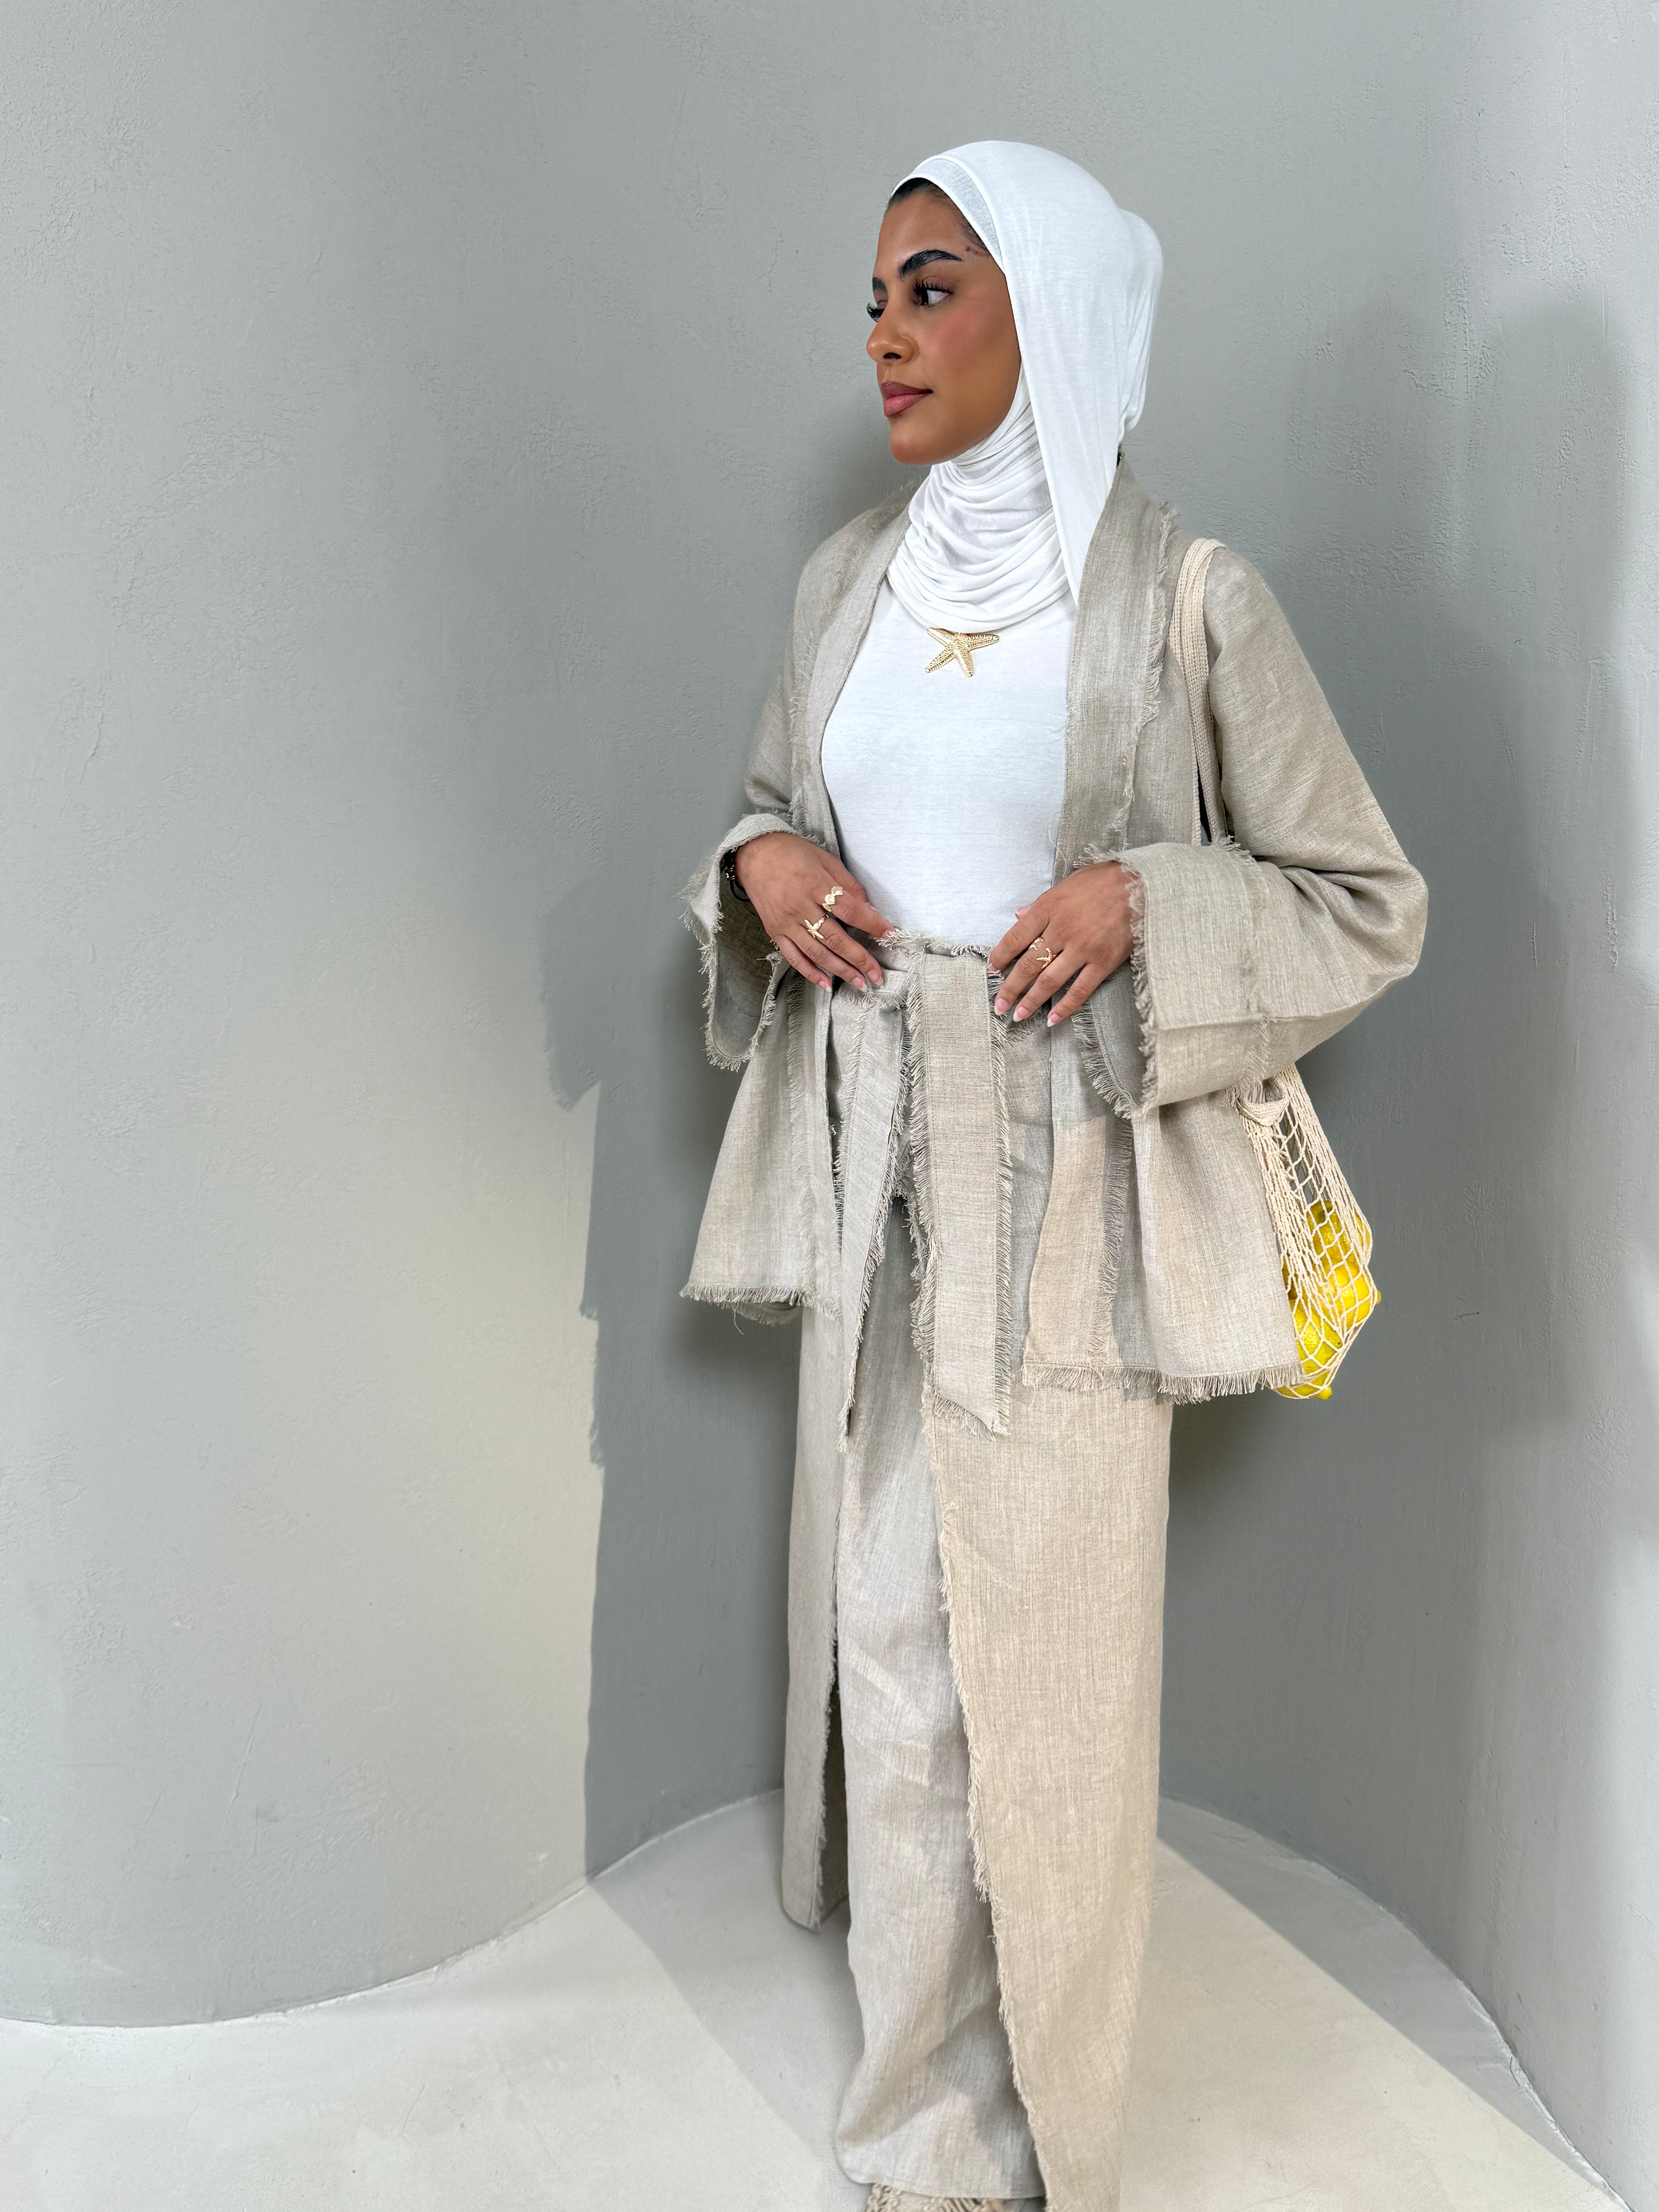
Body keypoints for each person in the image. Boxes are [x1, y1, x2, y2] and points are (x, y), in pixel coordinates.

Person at [681, 141, 1426, 2212]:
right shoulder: (848, 583)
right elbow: (775, 806)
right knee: (889, 1640)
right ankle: (918, 2129)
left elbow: (1364, 899)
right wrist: (764, 859)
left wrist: (1146, 900)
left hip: (1075, 1194)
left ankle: (1046, 2127)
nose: (884, 336)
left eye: (933, 289)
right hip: (877, 1177)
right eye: (876, 297)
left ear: (1056, 308)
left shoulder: (1188, 599)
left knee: (1050, 1660)